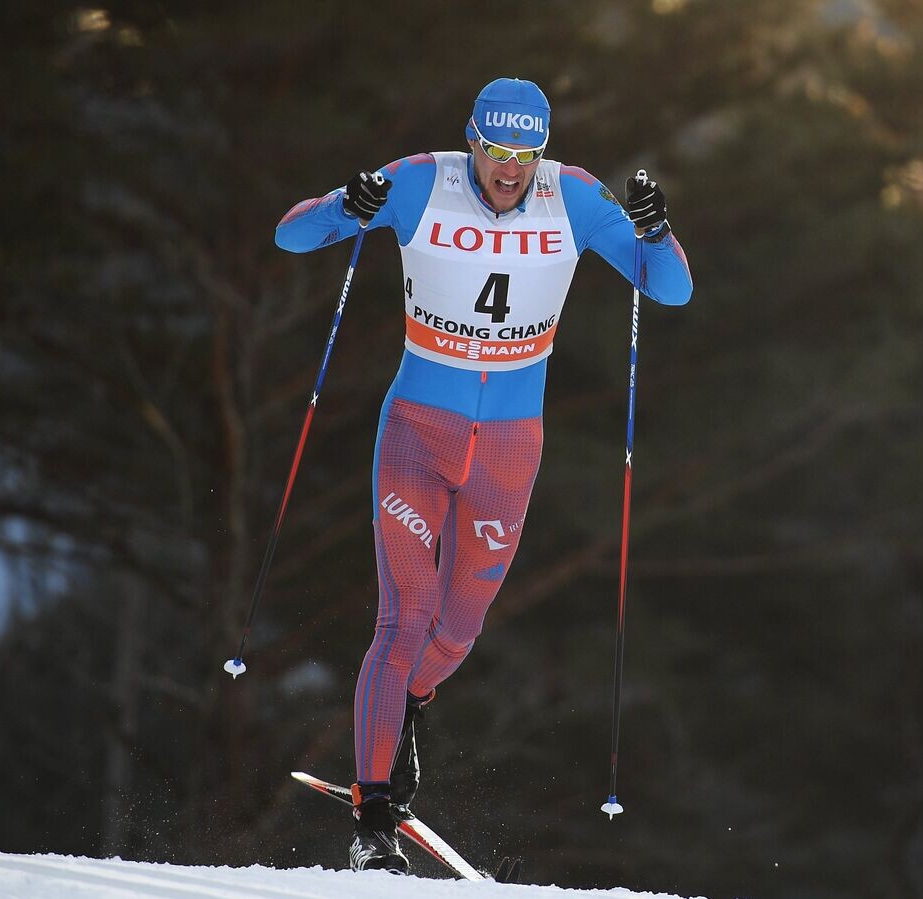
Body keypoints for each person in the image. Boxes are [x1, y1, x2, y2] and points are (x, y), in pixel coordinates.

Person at [275, 77, 692, 873]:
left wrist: (658, 230)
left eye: (524, 155)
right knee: (405, 618)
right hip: (416, 432)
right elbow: (293, 238)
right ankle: (375, 816)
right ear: (473, 139)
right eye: (496, 152)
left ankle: (411, 710)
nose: (509, 172)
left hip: (509, 443)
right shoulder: (423, 179)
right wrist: (347, 207)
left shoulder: (571, 196)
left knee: (457, 629)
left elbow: (669, 285)